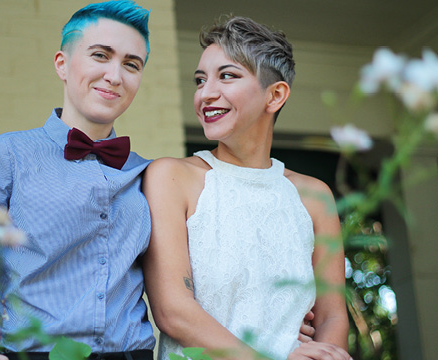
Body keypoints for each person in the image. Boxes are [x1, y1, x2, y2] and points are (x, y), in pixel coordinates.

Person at [0, 1, 156, 359]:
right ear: (62, 64)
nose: (115, 75)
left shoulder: (150, 175)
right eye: (100, 55)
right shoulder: (5, 154)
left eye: (131, 64)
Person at [143, 16, 351, 360]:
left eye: (227, 75)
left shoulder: (314, 197)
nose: (206, 93)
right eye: (200, 80)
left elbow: (331, 315)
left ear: (275, 95)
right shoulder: (170, 177)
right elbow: (173, 311)